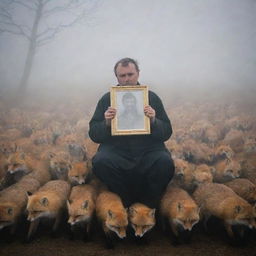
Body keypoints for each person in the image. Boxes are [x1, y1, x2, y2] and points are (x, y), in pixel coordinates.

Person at [88, 57, 175, 208]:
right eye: (122, 76)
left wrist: (154, 120)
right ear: (117, 77)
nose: (127, 79)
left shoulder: (151, 98)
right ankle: (124, 202)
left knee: (164, 162)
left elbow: (167, 132)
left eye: (130, 74)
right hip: (116, 150)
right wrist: (107, 123)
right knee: (101, 161)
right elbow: (94, 134)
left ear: (138, 74)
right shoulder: (107, 99)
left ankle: (149, 205)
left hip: (149, 150)